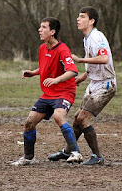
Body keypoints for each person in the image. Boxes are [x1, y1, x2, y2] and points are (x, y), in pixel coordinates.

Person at [48, 6, 117, 165]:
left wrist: (79, 60)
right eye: (78, 17)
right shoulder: (87, 38)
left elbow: (104, 59)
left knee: (83, 118)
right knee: (77, 118)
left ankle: (97, 157)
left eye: (82, 17)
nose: (78, 20)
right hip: (95, 83)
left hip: (105, 85)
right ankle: (68, 151)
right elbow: (96, 64)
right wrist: (83, 77)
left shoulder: (96, 37)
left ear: (91, 21)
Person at [11, 17, 83, 166]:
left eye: (43, 27)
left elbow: (73, 71)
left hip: (64, 92)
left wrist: (57, 80)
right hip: (48, 94)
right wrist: (33, 72)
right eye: (40, 27)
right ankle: (28, 158)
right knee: (29, 123)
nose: (40, 29)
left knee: (58, 116)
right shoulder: (42, 48)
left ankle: (76, 152)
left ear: (52, 31)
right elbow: (46, 67)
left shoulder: (63, 50)